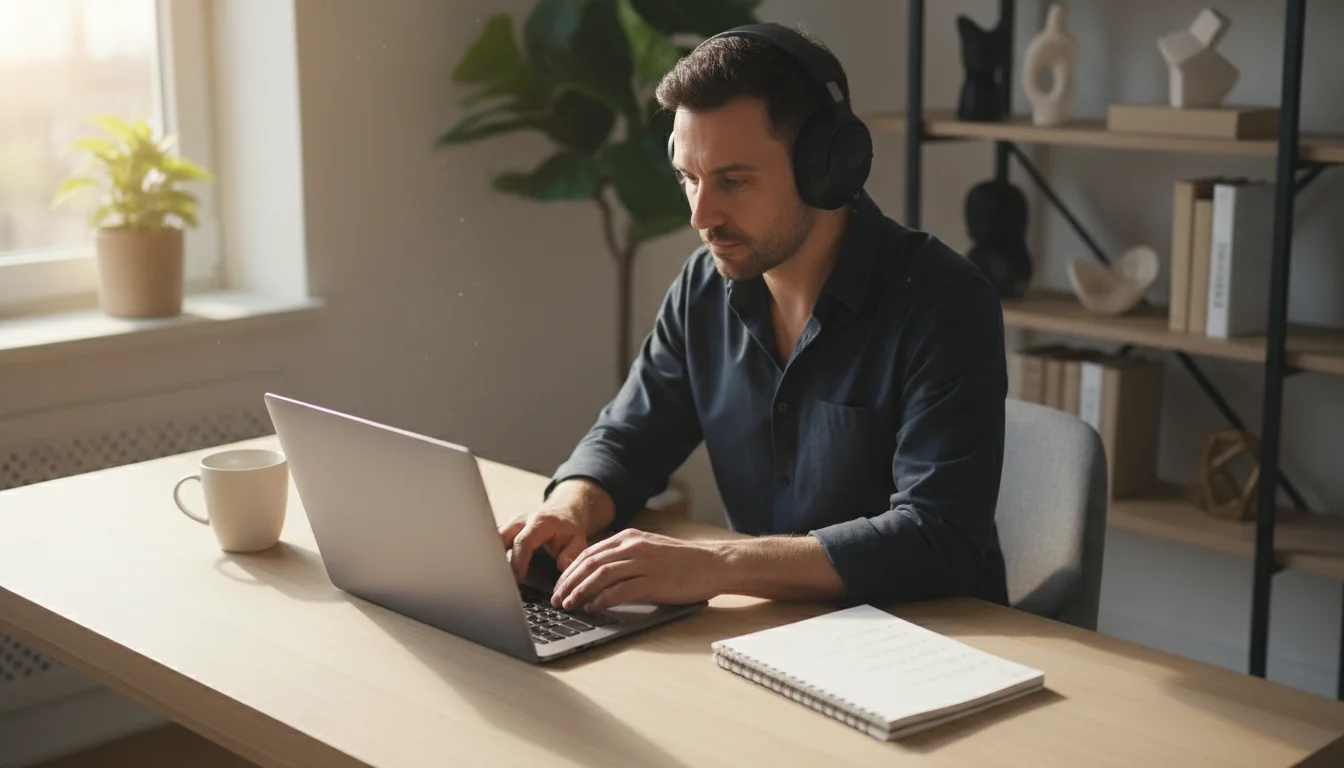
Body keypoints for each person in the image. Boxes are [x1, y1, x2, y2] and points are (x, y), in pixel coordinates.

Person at [500, 23, 1009, 615]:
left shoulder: (944, 302)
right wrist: (569, 508)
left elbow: (937, 538)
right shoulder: (704, 286)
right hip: (771, 633)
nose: (701, 215)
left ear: (827, 167)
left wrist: (717, 565)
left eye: (733, 181)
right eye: (688, 179)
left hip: (930, 641)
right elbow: (628, 438)